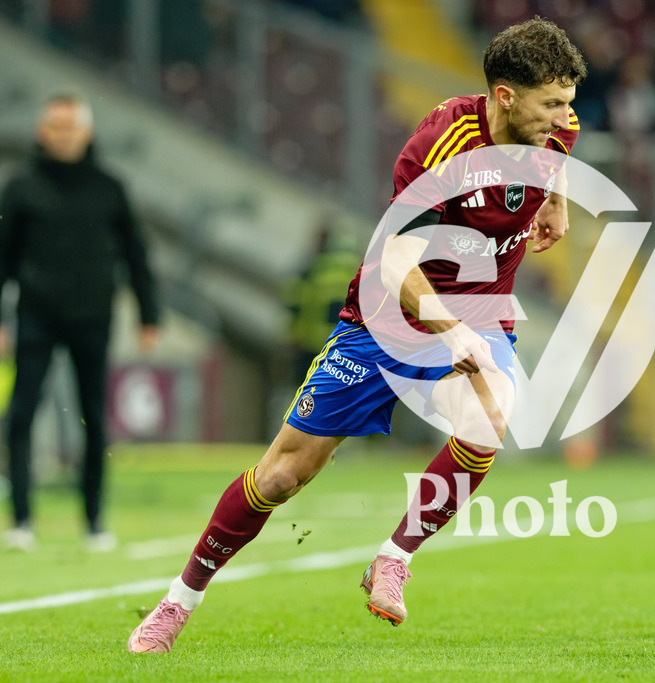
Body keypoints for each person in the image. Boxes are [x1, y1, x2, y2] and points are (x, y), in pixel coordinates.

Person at [127, 17, 587, 653]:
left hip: (481, 305)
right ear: (505, 96)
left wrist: (556, 201)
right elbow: (397, 258)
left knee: (488, 419)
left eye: (569, 102)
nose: (565, 117)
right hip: (391, 313)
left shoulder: (554, 128)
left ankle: (394, 557)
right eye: (553, 103)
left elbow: (559, 152)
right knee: (285, 475)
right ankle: (180, 601)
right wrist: (449, 330)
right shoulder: (442, 147)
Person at [0, 93, 160, 552]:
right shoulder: (20, 187)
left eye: (71, 126)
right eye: (55, 126)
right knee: (21, 415)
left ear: (86, 133)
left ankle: (93, 521)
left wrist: (149, 315)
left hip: (93, 317)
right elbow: (2, 255)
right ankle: (22, 519)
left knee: (93, 417)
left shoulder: (110, 188)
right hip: (35, 316)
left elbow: (135, 253)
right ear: (41, 131)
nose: (63, 134)